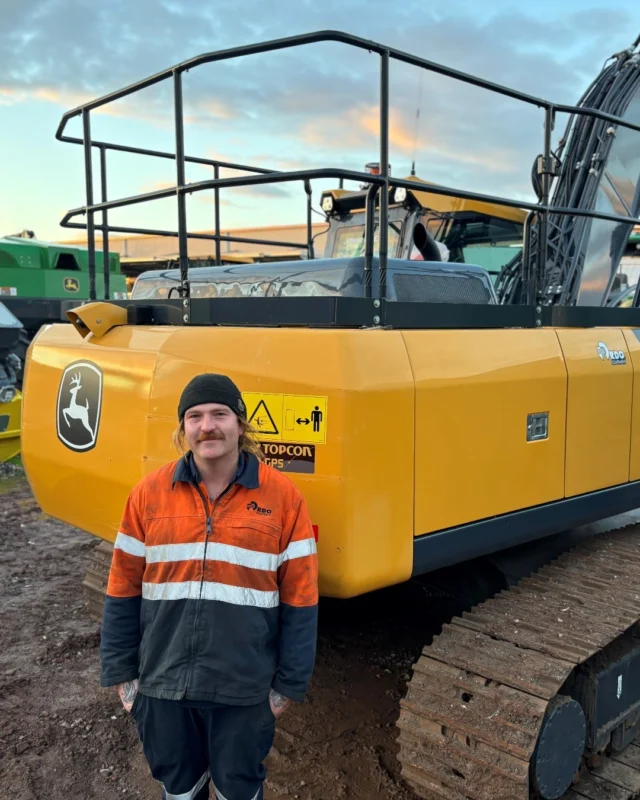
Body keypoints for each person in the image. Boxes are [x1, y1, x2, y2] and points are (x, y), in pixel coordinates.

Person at [99, 373, 319, 800]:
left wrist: (287, 687)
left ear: (240, 424)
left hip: (244, 687)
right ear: (183, 429)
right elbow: (122, 588)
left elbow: (301, 599)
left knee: (238, 787)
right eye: (194, 416)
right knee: (179, 787)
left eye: (219, 414)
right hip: (163, 683)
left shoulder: (283, 498)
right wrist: (125, 680)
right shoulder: (148, 494)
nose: (207, 426)